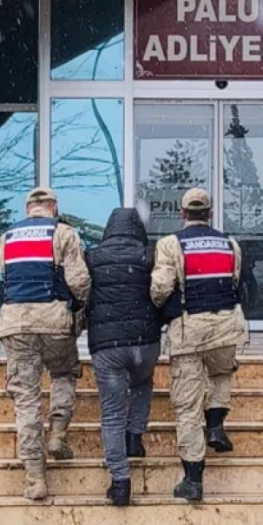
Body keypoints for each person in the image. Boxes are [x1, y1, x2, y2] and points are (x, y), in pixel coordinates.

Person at [0, 186, 91, 501]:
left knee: (26, 400)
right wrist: (82, 307)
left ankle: (36, 477)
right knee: (63, 373)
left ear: (27, 210)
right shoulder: (63, 233)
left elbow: (5, 274)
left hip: (15, 323)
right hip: (54, 320)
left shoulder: (5, 239)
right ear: (54, 207)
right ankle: (58, 436)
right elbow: (79, 281)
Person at [151, 188, 247, 502]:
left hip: (189, 330)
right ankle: (216, 425)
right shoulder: (230, 243)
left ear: (182, 214)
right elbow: (235, 280)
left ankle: (193, 478)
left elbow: (161, 287)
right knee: (220, 375)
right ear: (209, 213)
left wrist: (156, 306)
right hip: (226, 325)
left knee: (187, 407)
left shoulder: (170, 244)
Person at [85, 208, 162, 507]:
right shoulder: (148, 255)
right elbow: (160, 291)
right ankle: (135, 437)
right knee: (142, 382)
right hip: (145, 342)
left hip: (108, 346)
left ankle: (120, 482)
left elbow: (83, 292)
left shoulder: (92, 257)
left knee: (111, 412)